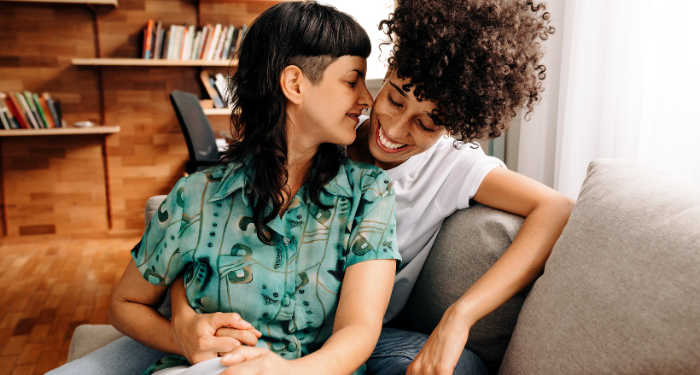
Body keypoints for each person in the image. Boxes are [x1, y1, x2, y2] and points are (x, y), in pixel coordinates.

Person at [49, 0, 573, 374]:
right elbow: (206, 230)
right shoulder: (320, 134)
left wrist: (460, 315)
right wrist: (184, 320)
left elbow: (555, 208)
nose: (390, 127)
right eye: (391, 97)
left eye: (428, 123)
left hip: (338, 336)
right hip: (224, 331)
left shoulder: (407, 180)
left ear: (455, 124)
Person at [48, 2, 401, 375]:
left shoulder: (369, 193)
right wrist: (180, 336)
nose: (367, 99)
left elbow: (359, 328)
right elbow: (123, 303)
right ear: (295, 84)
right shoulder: (195, 196)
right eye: (352, 81)